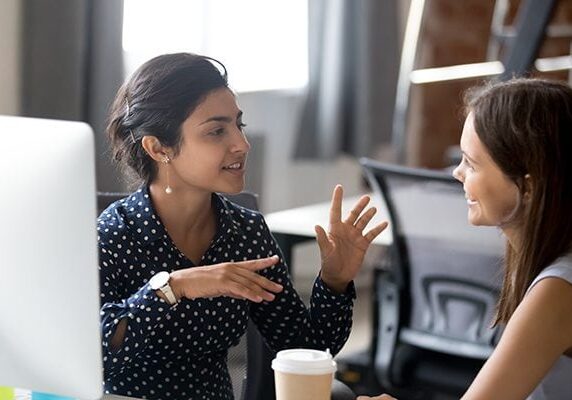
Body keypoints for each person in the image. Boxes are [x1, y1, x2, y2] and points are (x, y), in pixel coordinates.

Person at [97, 52, 388, 399]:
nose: (241, 144)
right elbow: (96, 354)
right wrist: (173, 287)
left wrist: (335, 280)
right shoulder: (114, 234)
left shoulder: (245, 233)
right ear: (158, 147)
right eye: (217, 131)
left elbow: (305, 350)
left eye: (239, 125)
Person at [362, 78, 572, 400]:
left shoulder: (557, 290)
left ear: (528, 187)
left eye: (471, 164)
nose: (457, 173)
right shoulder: (546, 262)